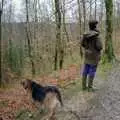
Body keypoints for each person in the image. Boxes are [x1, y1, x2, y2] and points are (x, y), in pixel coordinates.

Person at [81, 20, 103, 91]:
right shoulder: (97, 36)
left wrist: (87, 48)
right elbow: (99, 47)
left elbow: (82, 44)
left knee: (85, 70)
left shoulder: (85, 35)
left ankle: (84, 86)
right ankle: (90, 87)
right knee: (92, 71)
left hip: (87, 55)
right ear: (95, 26)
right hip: (94, 57)